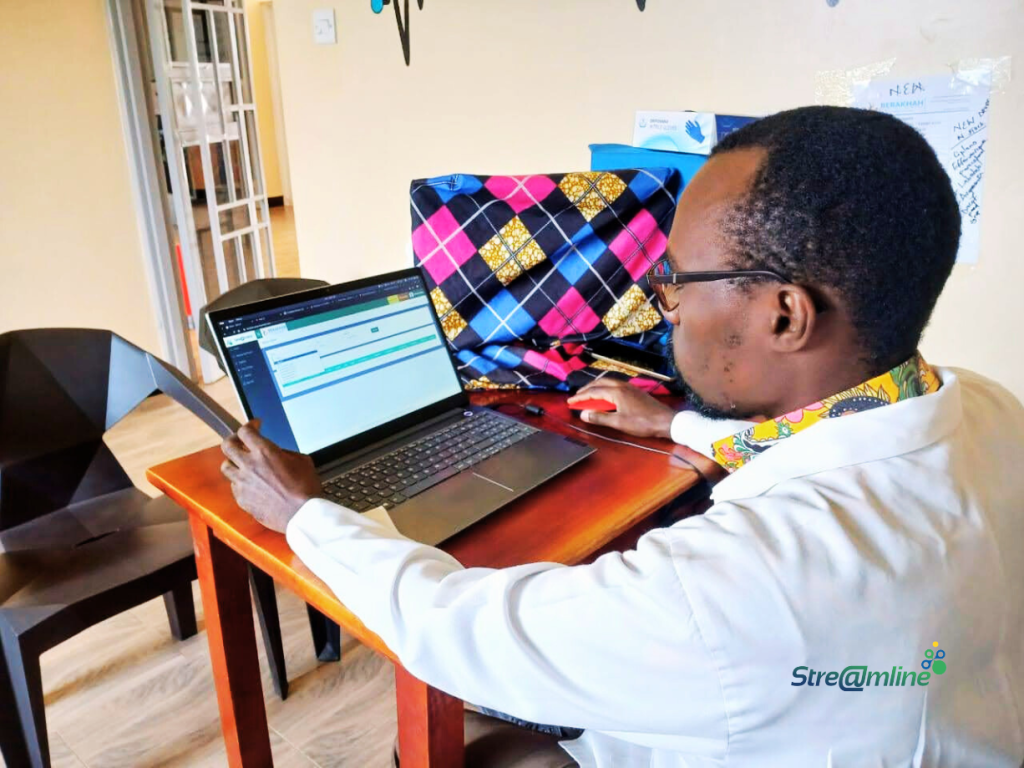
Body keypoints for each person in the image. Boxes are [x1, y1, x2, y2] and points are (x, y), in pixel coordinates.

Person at [219, 106, 1024, 767]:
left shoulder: (740, 584)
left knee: (453, 737)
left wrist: (306, 515)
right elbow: (828, 447)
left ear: (785, 314)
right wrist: (678, 423)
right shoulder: (987, 411)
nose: (662, 305)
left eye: (676, 281)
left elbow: (453, 629)